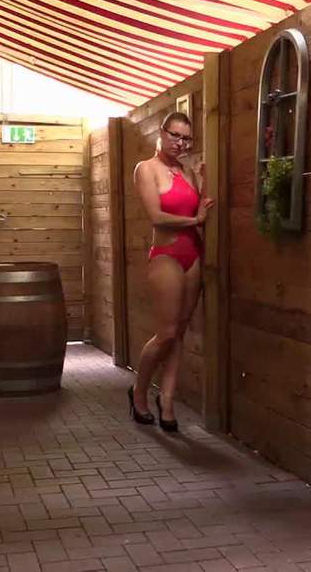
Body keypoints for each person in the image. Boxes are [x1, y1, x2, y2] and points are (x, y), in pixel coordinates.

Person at [127, 112, 214, 433]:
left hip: (194, 255)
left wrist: (205, 180)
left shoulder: (188, 171)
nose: (180, 143)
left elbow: (202, 205)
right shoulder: (145, 169)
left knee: (179, 333)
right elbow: (156, 216)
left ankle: (167, 402)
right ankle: (138, 392)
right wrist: (195, 221)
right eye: (175, 135)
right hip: (166, 255)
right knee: (165, 333)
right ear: (161, 133)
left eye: (186, 138)